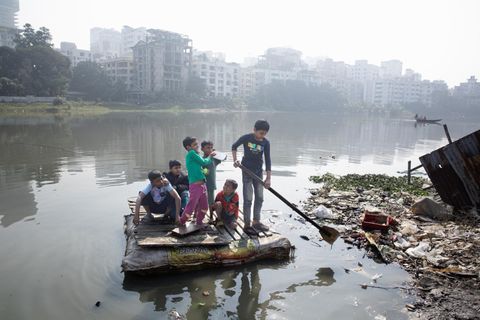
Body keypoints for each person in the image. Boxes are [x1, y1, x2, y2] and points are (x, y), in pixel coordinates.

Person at [232, 120, 271, 234]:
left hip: (259, 172)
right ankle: (247, 225)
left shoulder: (266, 142)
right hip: (246, 171)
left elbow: (268, 160)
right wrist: (235, 160)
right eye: (260, 133)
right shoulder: (246, 138)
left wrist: (268, 178)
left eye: (264, 134)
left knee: (260, 198)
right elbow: (234, 146)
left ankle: (256, 222)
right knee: (248, 199)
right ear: (254, 130)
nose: (262, 136)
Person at [180, 136, 216, 226]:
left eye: (197, 144)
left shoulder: (194, 156)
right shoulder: (191, 153)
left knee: (204, 207)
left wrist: (204, 172)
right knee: (191, 207)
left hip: (202, 186)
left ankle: (199, 222)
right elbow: (204, 162)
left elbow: (200, 167)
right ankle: (181, 222)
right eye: (195, 144)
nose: (197, 146)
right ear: (188, 147)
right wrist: (210, 156)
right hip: (195, 186)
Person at [201, 140, 222, 215]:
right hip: (202, 183)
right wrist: (204, 171)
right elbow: (200, 170)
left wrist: (216, 152)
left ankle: (211, 216)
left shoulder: (214, 159)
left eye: (211, 148)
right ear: (202, 149)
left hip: (211, 184)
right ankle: (197, 216)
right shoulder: (201, 160)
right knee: (201, 200)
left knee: (211, 201)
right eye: (207, 148)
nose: (209, 149)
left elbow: (223, 157)